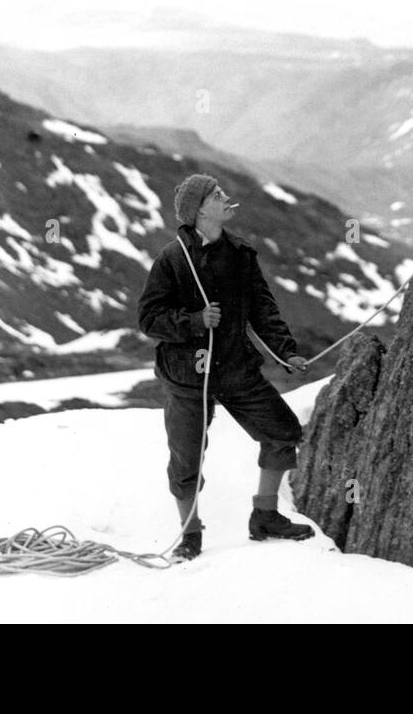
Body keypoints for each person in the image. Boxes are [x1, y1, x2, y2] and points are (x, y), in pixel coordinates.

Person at [137, 173, 315, 561]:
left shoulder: (241, 254)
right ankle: (190, 535)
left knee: (283, 432)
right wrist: (195, 321)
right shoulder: (171, 259)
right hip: (187, 378)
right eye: (217, 195)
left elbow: (263, 310)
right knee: (186, 459)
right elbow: (149, 319)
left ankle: (265, 517)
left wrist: (286, 353)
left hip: (236, 370)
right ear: (200, 210)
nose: (226, 198)